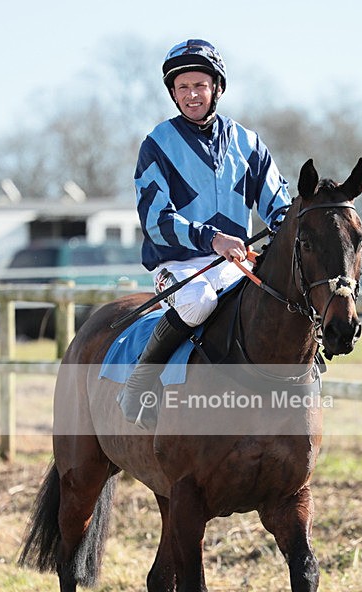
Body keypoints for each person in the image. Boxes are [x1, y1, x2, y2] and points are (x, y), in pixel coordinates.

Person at [118, 39, 292, 427]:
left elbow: (279, 204)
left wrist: (286, 233)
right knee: (198, 302)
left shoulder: (249, 144)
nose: (191, 95)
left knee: (277, 303)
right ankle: (141, 384)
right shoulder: (157, 144)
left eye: (199, 85)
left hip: (235, 262)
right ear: (173, 94)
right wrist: (212, 238)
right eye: (182, 88)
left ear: (217, 88)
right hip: (178, 264)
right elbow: (156, 220)